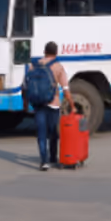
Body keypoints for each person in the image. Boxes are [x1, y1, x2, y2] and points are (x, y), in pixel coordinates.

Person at [22, 42, 69, 171]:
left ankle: (44, 161)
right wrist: (71, 104)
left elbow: (25, 87)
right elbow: (65, 89)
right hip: (53, 104)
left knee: (41, 133)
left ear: (44, 51)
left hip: (38, 104)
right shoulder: (58, 67)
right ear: (56, 52)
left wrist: (25, 104)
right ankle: (53, 158)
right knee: (53, 132)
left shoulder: (34, 65)